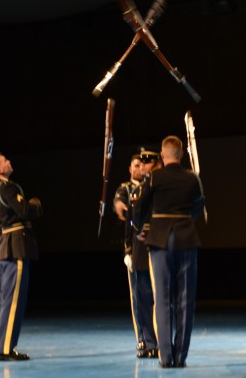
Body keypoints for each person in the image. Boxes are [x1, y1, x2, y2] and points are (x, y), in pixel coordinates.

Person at [135, 136, 205, 368]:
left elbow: (140, 207)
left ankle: (165, 357)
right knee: (186, 300)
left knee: (163, 299)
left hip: (160, 240)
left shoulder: (154, 177)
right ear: (181, 155)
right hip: (186, 237)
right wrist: (186, 221)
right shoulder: (192, 179)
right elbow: (198, 207)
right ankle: (180, 356)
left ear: (163, 156)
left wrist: (141, 228)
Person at [0, 152, 43, 361]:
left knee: (7, 300)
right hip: (15, 247)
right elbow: (25, 210)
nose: (9, 161)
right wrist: (36, 203)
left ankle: (4, 346)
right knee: (13, 301)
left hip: (6, 246)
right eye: (5, 161)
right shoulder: (8, 187)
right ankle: (4, 349)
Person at [113, 149, 160, 358]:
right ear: (130, 169)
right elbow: (126, 215)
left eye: (144, 164)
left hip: (155, 243)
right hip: (138, 246)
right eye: (137, 165)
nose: (140, 168)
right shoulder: (126, 189)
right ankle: (142, 337)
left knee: (156, 295)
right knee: (138, 296)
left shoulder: (153, 185)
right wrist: (128, 250)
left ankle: (158, 338)